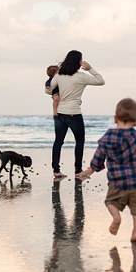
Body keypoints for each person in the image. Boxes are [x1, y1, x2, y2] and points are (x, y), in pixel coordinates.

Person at [82, 98, 136, 243]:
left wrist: (91, 169)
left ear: (115, 119)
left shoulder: (107, 138)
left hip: (116, 183)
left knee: (110, 202)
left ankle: (116, 217)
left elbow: (98, 157)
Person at [46, 50, 105, 179]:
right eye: (81, 60)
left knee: (58, 142)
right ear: (78, 62)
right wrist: (90, 69)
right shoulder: (81, 76)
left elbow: (49, 89)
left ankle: (56, 170)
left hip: (60, 113)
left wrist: (56, 95)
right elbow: (101, 81)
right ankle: (78, 171)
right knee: (79, 141)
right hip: (74, 113)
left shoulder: (59, 75)